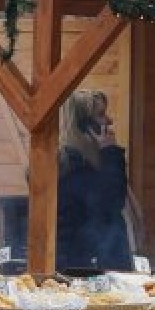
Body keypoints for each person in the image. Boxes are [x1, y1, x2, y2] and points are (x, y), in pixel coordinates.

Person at [56, 89, 133, 272]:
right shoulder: (74, 166)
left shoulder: (86, 163)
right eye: (101, 115)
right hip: (85, 269)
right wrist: (110, 153)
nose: (109, 121)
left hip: (93, 264)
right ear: (85, 126)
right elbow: (110, 203)